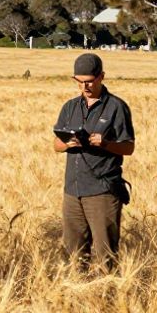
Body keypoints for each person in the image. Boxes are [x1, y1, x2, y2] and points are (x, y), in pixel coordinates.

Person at [54, 53, 134, 269]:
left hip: (102, 190)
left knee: (104, 254)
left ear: (101, 77)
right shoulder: (69, 107)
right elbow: (55, 145)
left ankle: (106, 297)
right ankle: (75, 296)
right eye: (79, 82)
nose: (85, 87)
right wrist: (68, 144)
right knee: (72, 254)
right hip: (72, 190)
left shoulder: (116, 107)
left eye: (89, 81)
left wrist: (105, 143)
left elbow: (129, 147)